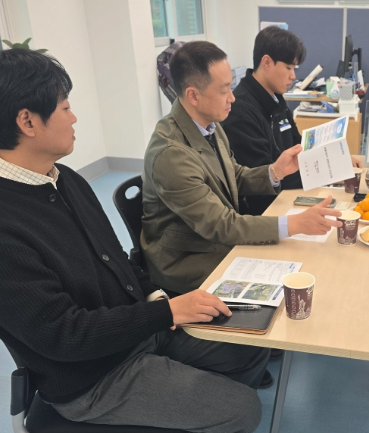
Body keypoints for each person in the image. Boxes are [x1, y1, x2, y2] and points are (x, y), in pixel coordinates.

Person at [0, 48, 271, 433]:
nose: (75, 118)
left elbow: (117, 259)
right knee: (242, 412)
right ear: (28, 122)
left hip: (134, 332)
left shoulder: (63, 178)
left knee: (252, 341)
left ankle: (168, 430)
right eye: (65, 108)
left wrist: (159, 301)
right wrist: (165, 312)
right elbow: (64, 336)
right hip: (91, 376)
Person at [142, 40, 342, 295]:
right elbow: (221, 225)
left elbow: (233, 174)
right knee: (291, 277)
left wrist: (275, 171)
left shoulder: (209, 124)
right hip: (188, 261)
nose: (232, 98)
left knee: (301, 262)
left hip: (214, 241)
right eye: (224, 90)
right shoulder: (171, 154)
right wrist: (294, 224)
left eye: (231, 86)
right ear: (193, 95)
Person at [222, 26, 360, 216]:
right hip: (266, 212)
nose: (293, 76)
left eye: (294, 68)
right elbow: (266, 178)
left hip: (289, 197)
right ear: (267, 62)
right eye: (288, 67)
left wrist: (337, 159)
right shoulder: (241, 111)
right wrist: (330, 172)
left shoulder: (276, 99)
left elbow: (299, 146)